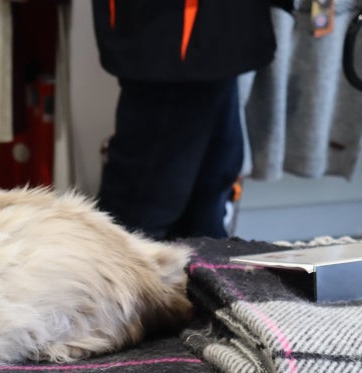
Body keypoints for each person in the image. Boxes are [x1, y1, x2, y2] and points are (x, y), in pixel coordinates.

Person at [91, 1, 280, 239]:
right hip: (174, 33)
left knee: (208, 203)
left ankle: (204, 271)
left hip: (218, 30)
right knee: (139, 215)